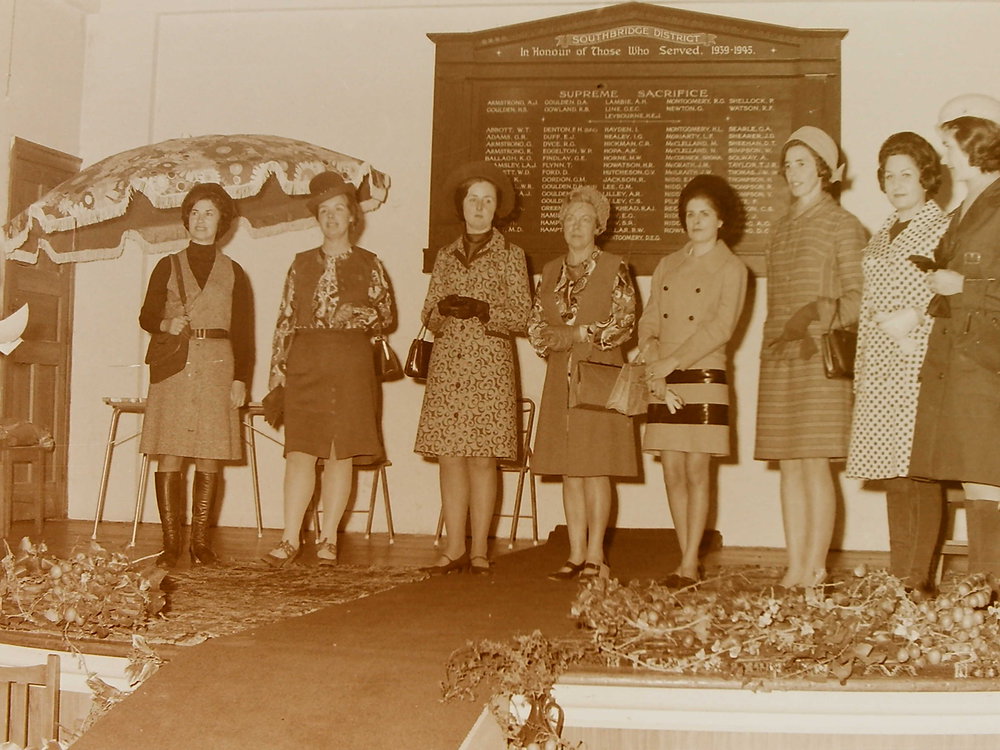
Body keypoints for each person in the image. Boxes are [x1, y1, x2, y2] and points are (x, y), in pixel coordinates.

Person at [263, 171, 394, 568]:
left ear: (353, 217)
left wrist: (360, 313)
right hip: (306, 363)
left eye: (340, 209)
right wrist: (277, 374)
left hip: (352, 365)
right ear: (317, 218)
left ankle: (329, 538)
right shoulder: (299, 263)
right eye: (325, 211)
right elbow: (284, 320)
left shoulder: (371, 264)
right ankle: (289, 538)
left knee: (341, 455)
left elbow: (386, 314)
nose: (332, 217)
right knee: (300, 453)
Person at [754, 126, 866, 589]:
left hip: (821, 358)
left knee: (815, 462)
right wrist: (777, 335)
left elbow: (861, 298)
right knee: (789, 462)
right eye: (788, 165)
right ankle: (794, 565)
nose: (793, 173)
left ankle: (816, 568)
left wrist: (815, 315)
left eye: (802, 163)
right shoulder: (779, 229)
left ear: (822, 169)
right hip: (781, 359)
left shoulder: (844, 225)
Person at [415, 161, 531, 575]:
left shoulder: (512, 256)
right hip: (449, 367)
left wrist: (486, 311)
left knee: (483, 459)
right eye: (473, 199)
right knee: (450, 457)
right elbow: (427, 313)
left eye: (488, 200)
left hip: (490, 367)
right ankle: (452, 548)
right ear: (461, 206)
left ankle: (479, 550)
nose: (479, 207)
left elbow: (522, 315)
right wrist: (441, 312)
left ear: (497, 208)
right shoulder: (445, 256)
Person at [846, 132, 951, 594]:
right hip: (880, 368)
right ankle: (898, 577)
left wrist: (913, 328)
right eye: (889, 175)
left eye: (906, 173)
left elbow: (947, 301)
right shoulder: (884, 229)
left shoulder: (944, 227)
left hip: (918, 363)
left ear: (926, 177)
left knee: (918, 473)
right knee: (892, 473)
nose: (896, 182)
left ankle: (919, 580)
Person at [638, 175, 748, 586]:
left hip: (703, 373)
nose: (696, 220)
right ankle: (684, 559)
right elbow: (651, 315)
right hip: (663, 375)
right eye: (690, 214)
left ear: (721, 220)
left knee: (697, 470)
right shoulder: (668, 263)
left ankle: (688, 562)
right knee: (671, 471)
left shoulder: (733, 268)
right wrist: (650, 349)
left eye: (705, 213)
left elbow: (720, 328)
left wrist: (673, 361)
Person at [139, 182, 253, 568]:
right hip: (175, 365)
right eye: (194, 212)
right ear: (185, 219)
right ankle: (171, 544)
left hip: (219, 366)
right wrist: (167, 322)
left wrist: (241, 379)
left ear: (223, 221)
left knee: (210, 454)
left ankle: (200, 544)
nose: (201, 220)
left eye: (209, 213)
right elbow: (145, 316)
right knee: (169, 452)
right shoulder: (166, 265)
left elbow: (245, 332)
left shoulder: (235, 272)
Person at [910, 94, 1000, 579]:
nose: (943, 156)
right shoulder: (964, 208)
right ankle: (983, 599)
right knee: (977, 480)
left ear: (975, 140)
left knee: (988, 481)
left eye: (949, 144)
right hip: (958, 361)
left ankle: (988, 603)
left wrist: (965, 287)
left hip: (988, 366)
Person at [528, 185, 638, 581]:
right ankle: (574, 554)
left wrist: (578, 334)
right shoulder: (550, 270)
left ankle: (596, 556)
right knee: (569, 470)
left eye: (585, 219)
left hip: (598, 372)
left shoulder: (614, 266)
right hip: (560, 375)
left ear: (599, 226)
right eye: (570, 219)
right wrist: (548, 338)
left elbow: (624, 323)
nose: (576, 225)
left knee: (596, 468)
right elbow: (536, 321)